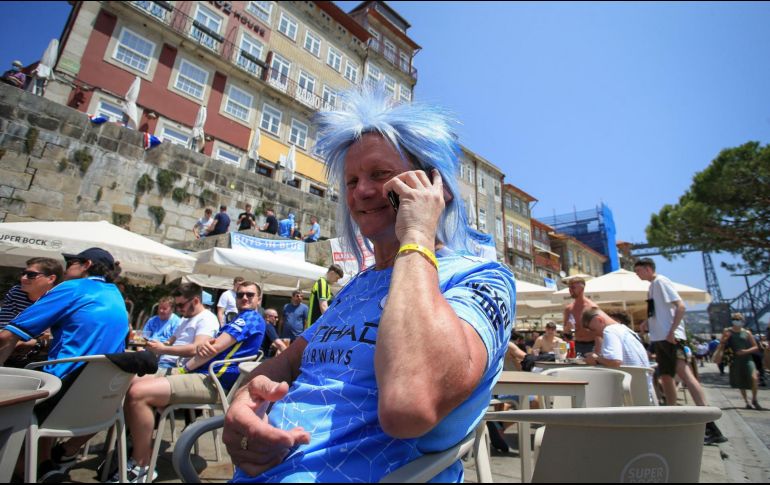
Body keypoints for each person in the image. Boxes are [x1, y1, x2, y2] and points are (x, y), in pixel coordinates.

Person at [222, 87, 515, 482]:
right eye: (351, 180)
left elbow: (409, 405)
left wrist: (416, 235)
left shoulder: (481, 277)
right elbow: (290, 360)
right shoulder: (358, 285)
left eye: (381, 175)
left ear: (436, 186)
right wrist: (244, 398)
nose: (360, 191)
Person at [0, 248, 128, 480]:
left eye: (70, 262)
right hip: (97, 406)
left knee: (19, 396)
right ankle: (44, 466)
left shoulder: (73, 288)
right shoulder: (116, 296)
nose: (66, 267)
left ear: (86, 264)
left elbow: (6, 338)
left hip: (59, 397)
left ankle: (26, 468)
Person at [119, 282, 266, 482]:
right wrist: (202, 351)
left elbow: (213, 348)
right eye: (240, 295)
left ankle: (142, 463)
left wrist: (184, 367)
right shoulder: (238, 318)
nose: (245, 298)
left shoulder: (249, 319)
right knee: (131, 381)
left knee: (138, 392)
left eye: (250, 295)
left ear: (259, 299)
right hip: (203, 375)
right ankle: (136, 442)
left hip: (213, 382)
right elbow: (207, 347)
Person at [634, 257, 727, 445]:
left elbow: (681, 306)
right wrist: (647, 323)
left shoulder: (661, 282)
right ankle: (672, 415)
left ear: (648, 268)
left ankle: (709, 424)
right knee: (666, 377)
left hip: (671, 338)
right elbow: (658, 312)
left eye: (638, 270)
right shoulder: (652, 286)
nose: (637, 274)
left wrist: (672, 331)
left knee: (685, 375)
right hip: (660, 339)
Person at [581, 307, 655, 404]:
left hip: (629, 395)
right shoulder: (625, 330)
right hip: (645, 392)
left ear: (599, 320)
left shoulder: (610, 331)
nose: (595, 334)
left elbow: (615, 361)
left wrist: (595, 358)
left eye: (593, 329)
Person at [0, 257, 63, 367]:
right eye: (23, 273)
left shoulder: (61, 299)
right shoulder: (16, 292)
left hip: (43, 359)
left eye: (31, 275)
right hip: (11, 352)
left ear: (51, 278)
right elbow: (4, 327)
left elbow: (54, 337)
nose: (23, 278)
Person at [145, 283, 220, 372]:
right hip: (163, 362)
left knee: (135, 382)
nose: (178, 309)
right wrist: (155, 345)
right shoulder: (185, 318)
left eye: (181, 305)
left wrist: (163, 349)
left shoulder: (207, 319)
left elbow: (196, 349)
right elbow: (170, 341)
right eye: (177, 306)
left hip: (177, 367)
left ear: (195, 301)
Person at [715, 313, 762, 410]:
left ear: (742, 320)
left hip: (747, 358)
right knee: (741, 381)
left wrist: (746, 351)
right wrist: (725, 339)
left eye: (739, 319)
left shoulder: (747, 332)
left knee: (754, 378)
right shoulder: (727, 331)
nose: (736, 321)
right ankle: (746, 401)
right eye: (734, 319)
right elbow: (721, 344)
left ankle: (754, 399)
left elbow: (756, 347)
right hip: (734, 359)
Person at [562, 276, 597, 356]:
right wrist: (567, 349)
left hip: (592, 345)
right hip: (576, 345)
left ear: (582, 288)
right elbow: (566, 334)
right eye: (569, 287)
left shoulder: (591, 307)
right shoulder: (569, 309)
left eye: (573, 287)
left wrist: (597, 350)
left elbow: (599, 332)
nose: (570, 290)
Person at [305, 264, 344, 329]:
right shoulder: (322, 283)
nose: (337, 281)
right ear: (332, 273)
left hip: (316, 326)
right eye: (337, 278)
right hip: (315, 327)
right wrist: (330, 324)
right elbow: (323, 306)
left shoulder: (325, 285)